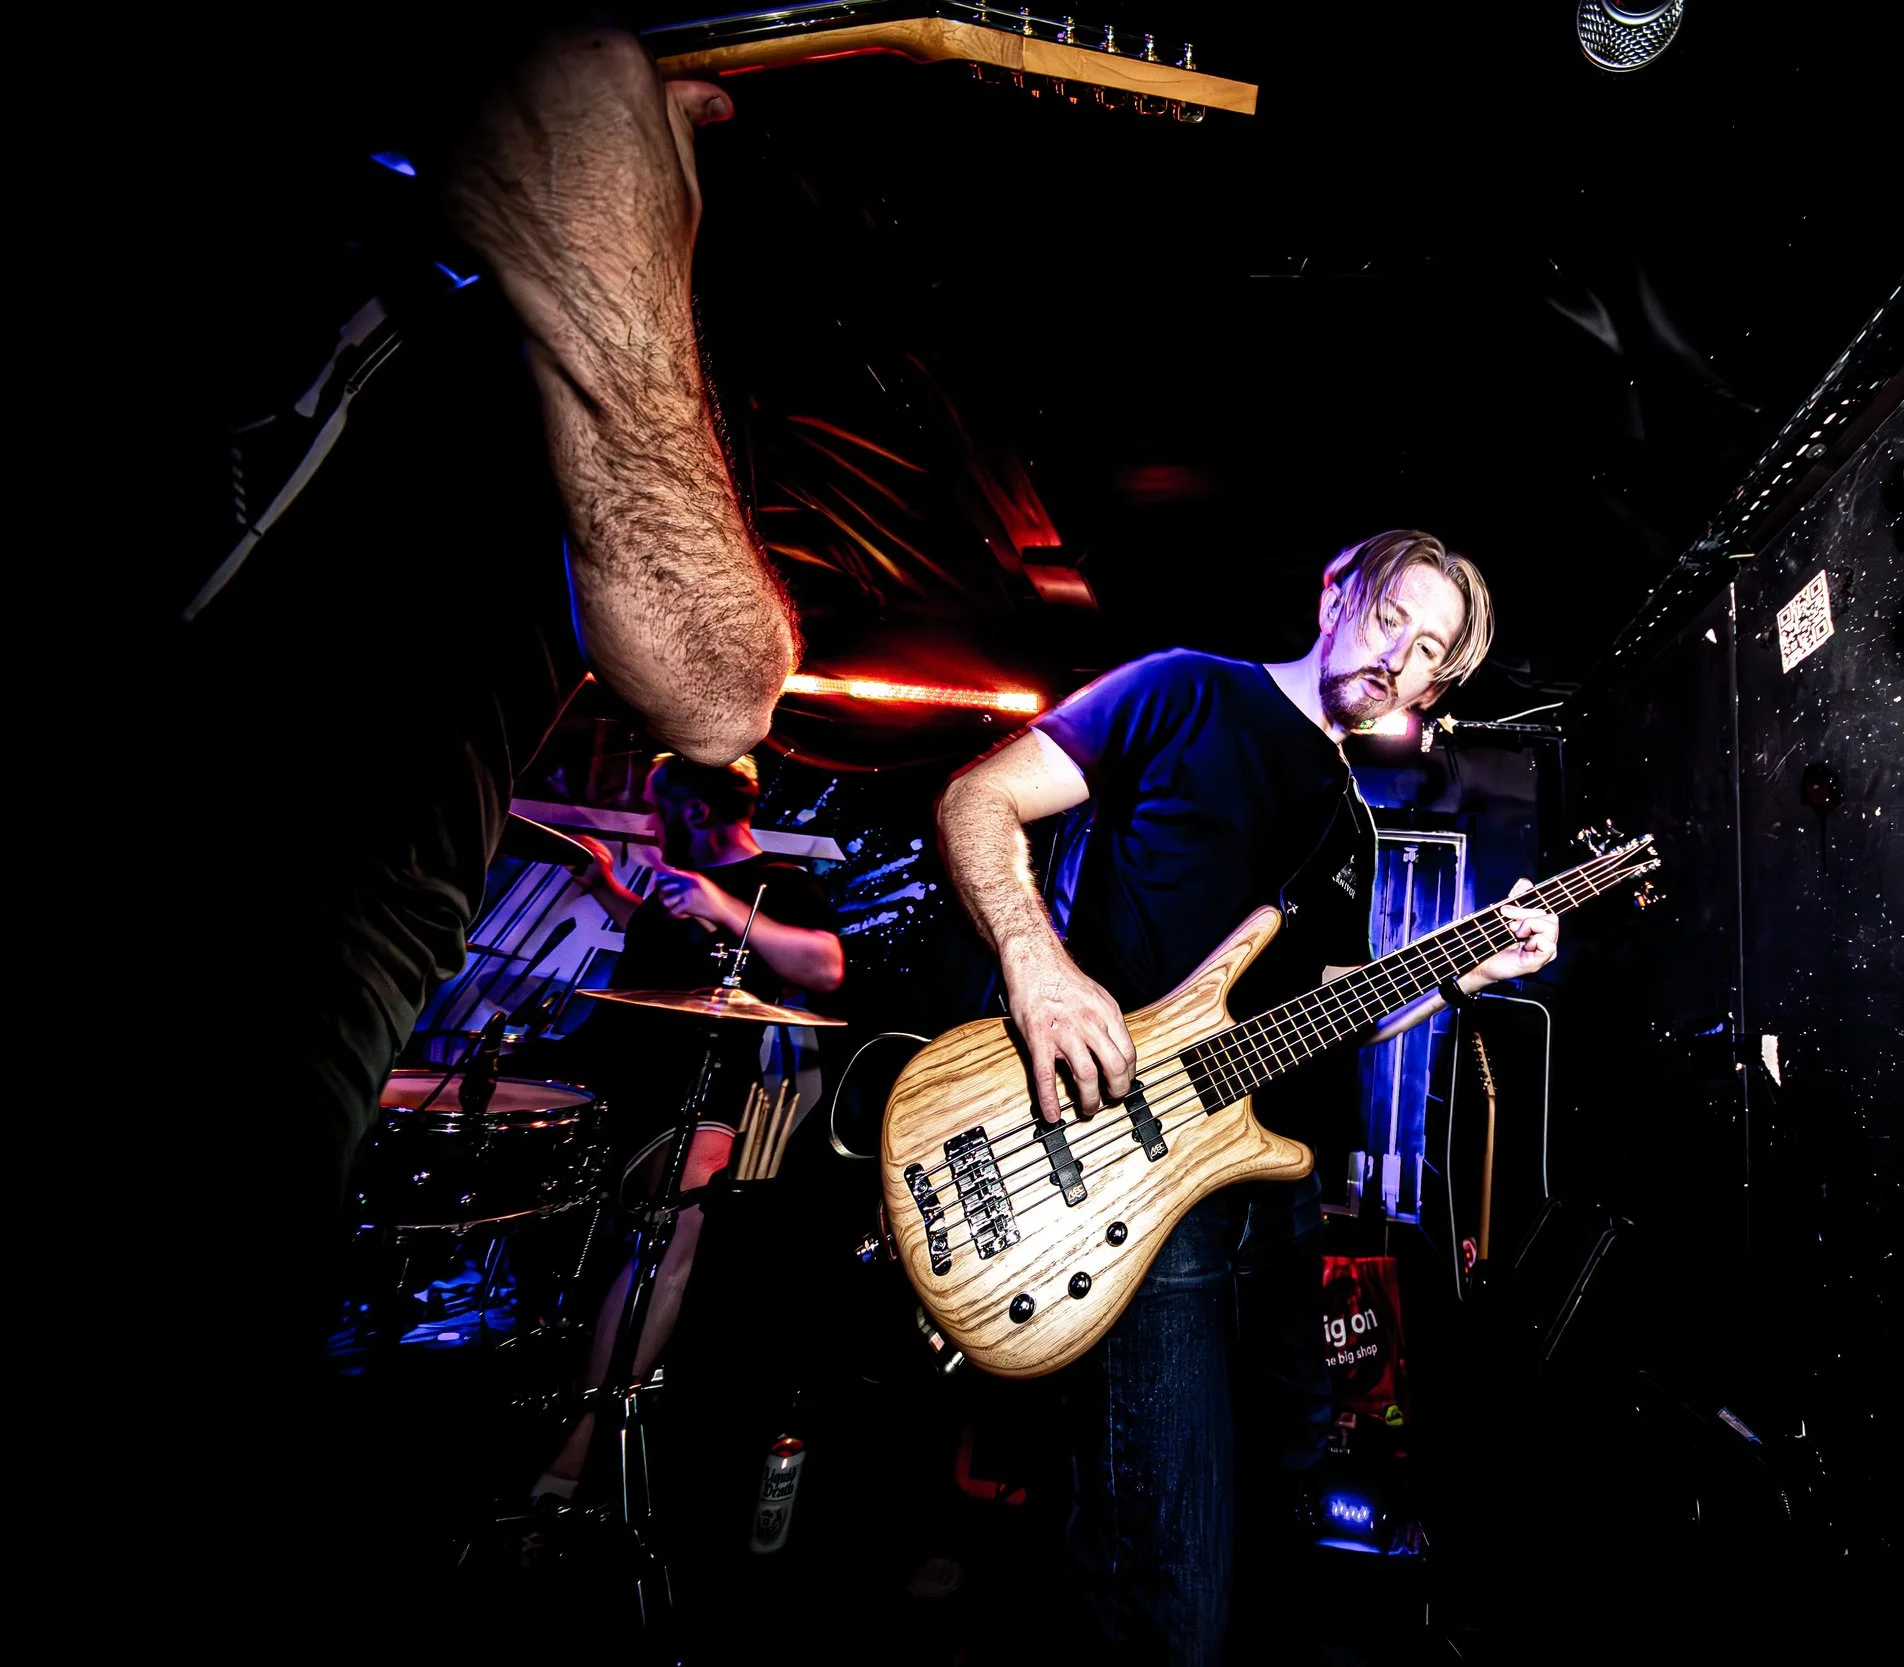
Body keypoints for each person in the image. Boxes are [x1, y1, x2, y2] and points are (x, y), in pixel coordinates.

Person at [131, 24, 798, 1628]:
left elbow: (722, 688)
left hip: (281, 958)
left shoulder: (595, 350)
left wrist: (609, 260)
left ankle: (552, 1465)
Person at [933, 529, 1562, 1662]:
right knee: (1165, 1550)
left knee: (1285, 1472)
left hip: (1273, 1187)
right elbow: (979, 800)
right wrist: (1039, 968)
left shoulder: (1350, 822)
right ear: (1334, 594)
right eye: (1390, 618)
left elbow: (1330, 1006)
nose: (1399, 660)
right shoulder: (1184, 689)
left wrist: (1467, 969)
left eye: (1429, 652)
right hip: (1133, 1165)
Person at [525, 752, 844, 1507]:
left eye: (656, 806)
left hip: (691, 1100)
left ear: (695, 810)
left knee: (682, 1219)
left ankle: (578, 1449)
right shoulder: (677, 889)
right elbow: (659, 954)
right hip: (606, 1083)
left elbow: (826, 965)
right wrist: (606, 885)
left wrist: (725, 909)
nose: (650, 822)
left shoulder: (778, 885)